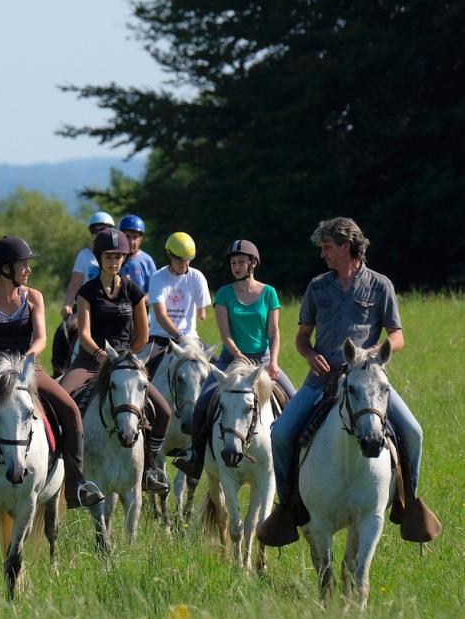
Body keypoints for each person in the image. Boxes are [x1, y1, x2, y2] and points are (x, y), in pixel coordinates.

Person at [258, 216, 425, 546]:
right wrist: (308, 355)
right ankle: (290, 507)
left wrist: (375, 352)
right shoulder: (317, 286)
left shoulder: (380, 285)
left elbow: (398, 335)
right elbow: (302, 337)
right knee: (281, 434)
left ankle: (408, 505)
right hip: (322, 380)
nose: (323, 255)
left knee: (414, 432)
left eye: (327, 248)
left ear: (346, 247)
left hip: (368, 381)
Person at [0, 236, 104, 509]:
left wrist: (24, 361)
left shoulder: (34, 297)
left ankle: (76, 483)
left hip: (27, 368)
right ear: (6, 268)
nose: (28, 269)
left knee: (70, 410)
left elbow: (41, 339)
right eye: (23, 264)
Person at [60, 228, 171, 493]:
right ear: (99, 258)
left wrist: (125, 359)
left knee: (163, 412)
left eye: (119, 256)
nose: (114, 261)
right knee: (62, 404)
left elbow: (143, 334)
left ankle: (150, 469)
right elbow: (84, 333)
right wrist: (100, 355)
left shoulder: (133, 291)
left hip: (125, 362)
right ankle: (68, 474)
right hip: (90, 361)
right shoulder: (87, 291)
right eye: (109, 256)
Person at [174, 239, 296, 480]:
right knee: (202, 403)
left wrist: (274, 361)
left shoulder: (269, 293)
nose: (236, 266)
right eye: (233, 262)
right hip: (230, 360)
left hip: (263, 361)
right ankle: (195, 456)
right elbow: (225, 334)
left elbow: (274, 332)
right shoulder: (224, 293)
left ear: (253, 263)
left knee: (293, 400)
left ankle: (295, 461)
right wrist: (238, 354)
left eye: (241, 261)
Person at [147, 232, 211, 356]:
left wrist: (201, 313)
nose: (184, 264)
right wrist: (179, 336)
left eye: (188, 259)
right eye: (179, 259)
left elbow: (201, 311)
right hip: (160, 338)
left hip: (190, 338)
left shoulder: (197, 277)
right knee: (143, 368)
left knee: (215, 362)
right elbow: (161, 316)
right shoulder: (157, 278)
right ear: (169, 256)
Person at [60, 211, 115, 320]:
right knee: (65, 331)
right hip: (86, 306)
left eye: (103, 230)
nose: (99, 233)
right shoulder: (84, 255)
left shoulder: (118, 255)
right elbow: (75, 285)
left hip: (112, 306)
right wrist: (67, 305)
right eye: (95, 230)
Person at [118, 214, 157, 299]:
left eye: (135, 237)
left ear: (141, 239)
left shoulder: (147, 261)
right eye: (127, 236)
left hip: (141, 310)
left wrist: (139, 300)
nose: (131, 242)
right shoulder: (114, 258)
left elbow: (155, 290)